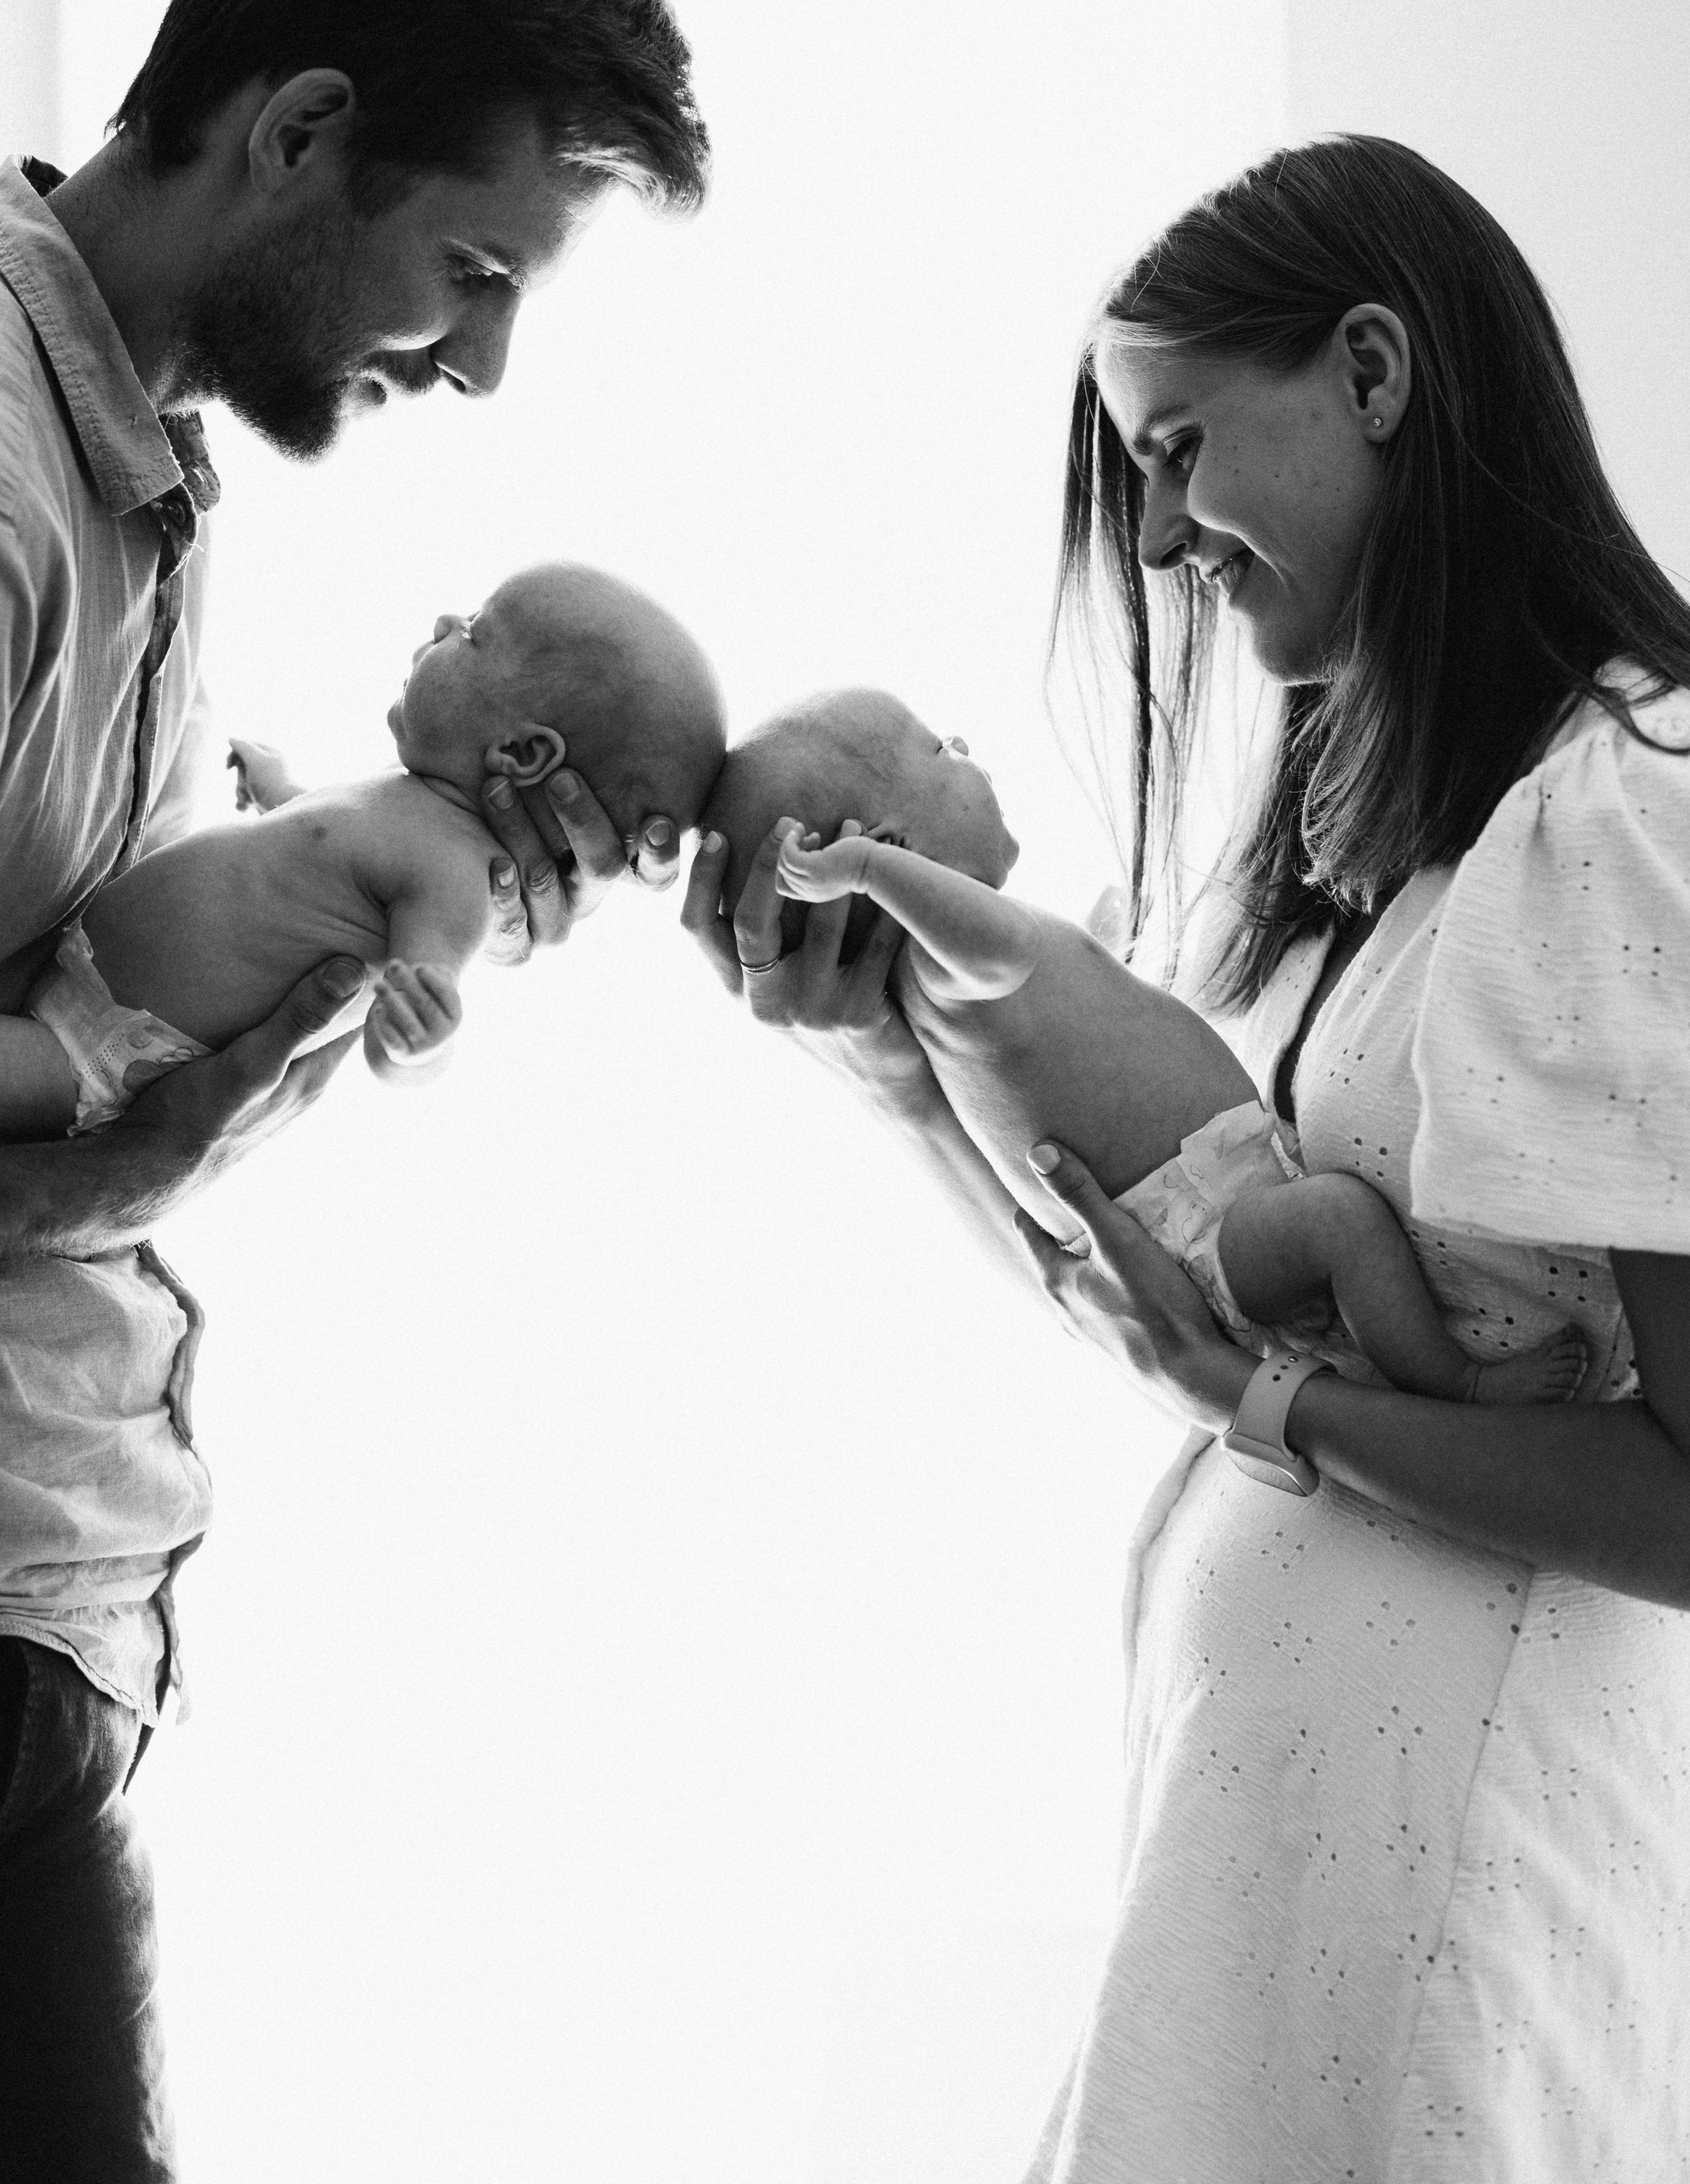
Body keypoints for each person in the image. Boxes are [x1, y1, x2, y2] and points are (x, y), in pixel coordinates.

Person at [0, 0, 708, 2183]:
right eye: (471, 265)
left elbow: (14, 924)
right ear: (298, 134)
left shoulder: (117, 466)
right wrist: (137, 1155)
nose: (475, 363)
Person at [685, 136, 1690, 2180]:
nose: (1153, 542)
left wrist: (1274, 1408)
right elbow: (1162, 1271)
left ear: (1377, 374)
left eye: (1176, 449)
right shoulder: (1395, 832)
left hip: (1449, 1846)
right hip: (1286, 1812)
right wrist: (897, 1064)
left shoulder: (1619, 812)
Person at [731, 689, 1586, 1405]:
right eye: (937, 750)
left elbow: (1079, 1038)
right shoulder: (955, 968)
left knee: (1336, 1239)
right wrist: (868, 878)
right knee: (1342, 1219)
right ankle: (1459, 1383)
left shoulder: (955, 999)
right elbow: (994, 949)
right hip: (1202, 1228)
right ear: (888, 850)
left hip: (1194, 1231)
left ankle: (1402, 1376)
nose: (964, 746)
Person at [0, 563, 726, 1139]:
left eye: (471, 631)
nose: (438, 623)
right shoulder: (406, 801)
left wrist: (416, 1042)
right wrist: (277, 785)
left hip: (98, 1051)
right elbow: (311, 839)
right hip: (73, 965)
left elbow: (421, 986)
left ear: (524, 753)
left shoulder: (461, 877)